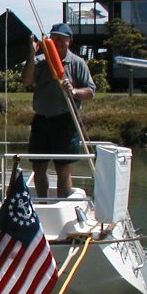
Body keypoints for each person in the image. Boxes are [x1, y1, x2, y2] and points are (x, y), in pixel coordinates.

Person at [21, 23, 95, 198]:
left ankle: (63, 204)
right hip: (41, 119)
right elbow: (26, 81)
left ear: (70, 40)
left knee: (63, 168)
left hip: (65, 120)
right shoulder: (40, 61)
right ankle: (42, 203)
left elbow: (90, 91)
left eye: (63, 38)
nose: (59, 41)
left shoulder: (77, 63)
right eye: (55, 37)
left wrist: (74, 91)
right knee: (38, 167)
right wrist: (32, 53)